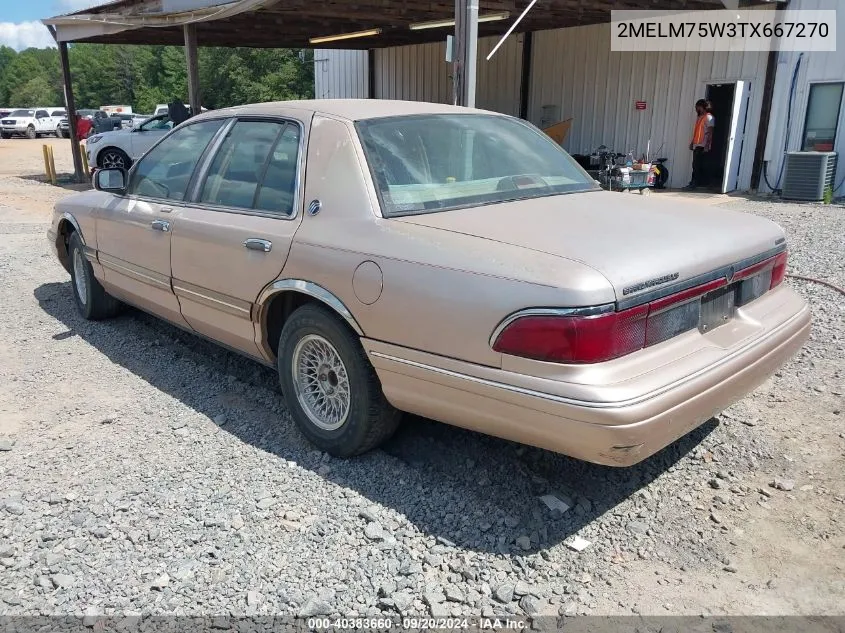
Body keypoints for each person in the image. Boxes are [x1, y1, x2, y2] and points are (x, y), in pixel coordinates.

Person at [683, 99, 715, 190]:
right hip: (698, 145)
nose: (696, 108)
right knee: (695, 165)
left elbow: (710, 133)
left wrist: (707, 145)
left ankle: (697, 184)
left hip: (703, 145)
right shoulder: (700, 117)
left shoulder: (709, 117)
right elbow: (697, 131)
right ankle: (694, 183)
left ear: (702, 107)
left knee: (700, 165)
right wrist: (692, 143)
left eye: (697, 107)